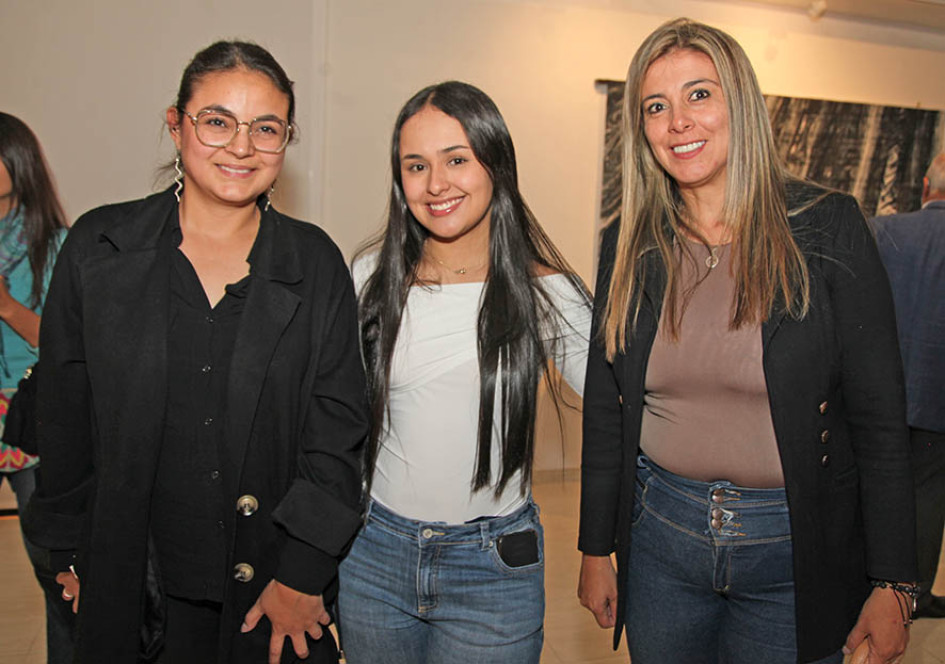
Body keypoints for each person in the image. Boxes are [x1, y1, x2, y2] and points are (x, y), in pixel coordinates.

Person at [577, 18, 917, 664]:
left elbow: (878, 423)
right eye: (656, 106)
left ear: (740, 103)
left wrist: (893, 583)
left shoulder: (826, 228)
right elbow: (604, 409)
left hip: (793, 548)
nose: (678, 122)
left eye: (698, 95)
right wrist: (596, 549)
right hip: (659, 545)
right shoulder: (626, 242)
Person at [23, 41, 368, 664]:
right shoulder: (98, 247)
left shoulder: (313, 262)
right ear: (176, 124)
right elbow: (65, 414)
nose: (241, 147)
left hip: (270, 591)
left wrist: (302, 574)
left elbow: (337, 432)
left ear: (285, 140)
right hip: (131, 579)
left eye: (266, 128)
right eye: (217, 121)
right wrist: (68, 551)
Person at [337, 81, 592, 664]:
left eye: (457, 159)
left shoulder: (547, 292)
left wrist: (603, 549)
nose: (436, 184)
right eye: (416, 165)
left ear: (495, 163)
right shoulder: (369, 275)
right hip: (375, 553)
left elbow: (625, 412)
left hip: (493, 567)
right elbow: (333, 420)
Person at [0, 112, 72, 663]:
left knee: (53, 566)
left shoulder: (58, 245)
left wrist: (4, 305)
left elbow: (66, 345)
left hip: (28, 422)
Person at [870, 153, 945, 620]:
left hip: (879, 397)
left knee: (871, 493)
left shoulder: (882, 231)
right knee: (928, 499)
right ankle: (911, 597)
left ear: (924, 185)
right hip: (939, 401)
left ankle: (867, 586)